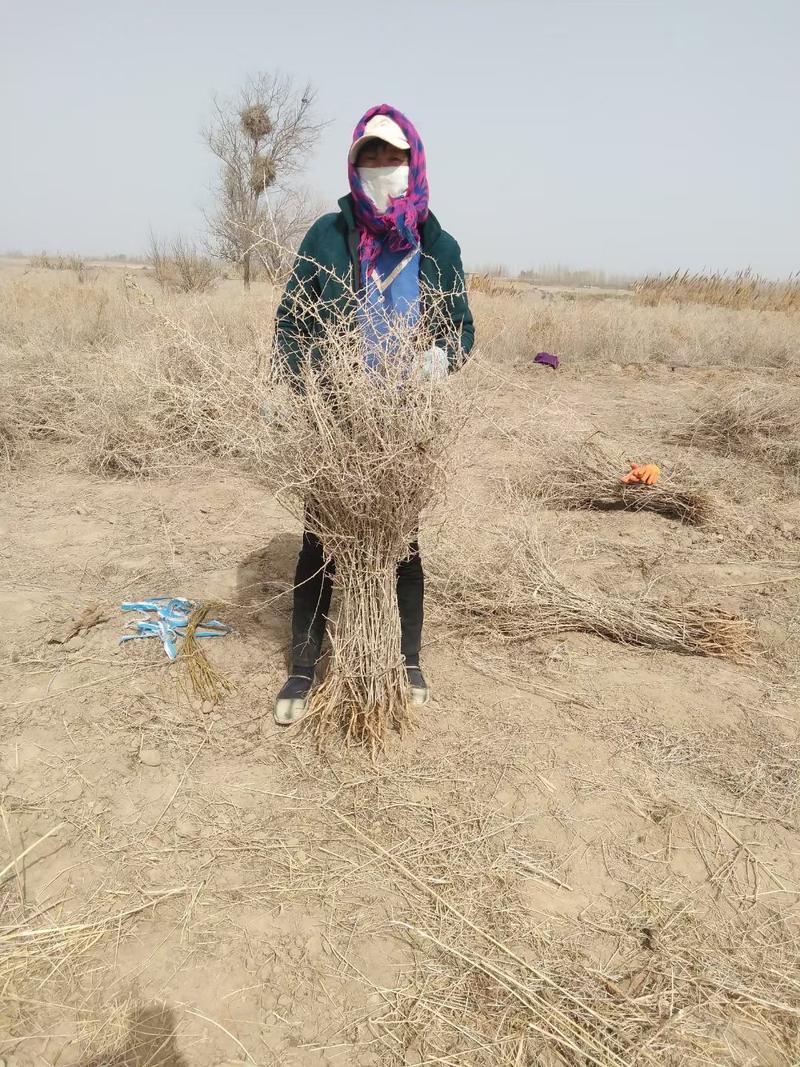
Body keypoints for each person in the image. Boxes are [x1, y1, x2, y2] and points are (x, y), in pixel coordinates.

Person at [273, 103, 474, 725]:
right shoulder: (326, 236)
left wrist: (438, 359)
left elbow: (461, 330)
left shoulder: (438, 246)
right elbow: (290, 323)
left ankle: (406, 658)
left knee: (402, 542)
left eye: (394, 157)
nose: (382, 168)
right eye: (371, 157)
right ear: (354, 165)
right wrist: (312, 378)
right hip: (335, 423)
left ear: (413, 163)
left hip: (405, 424)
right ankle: (304, 667)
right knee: (321, 541)